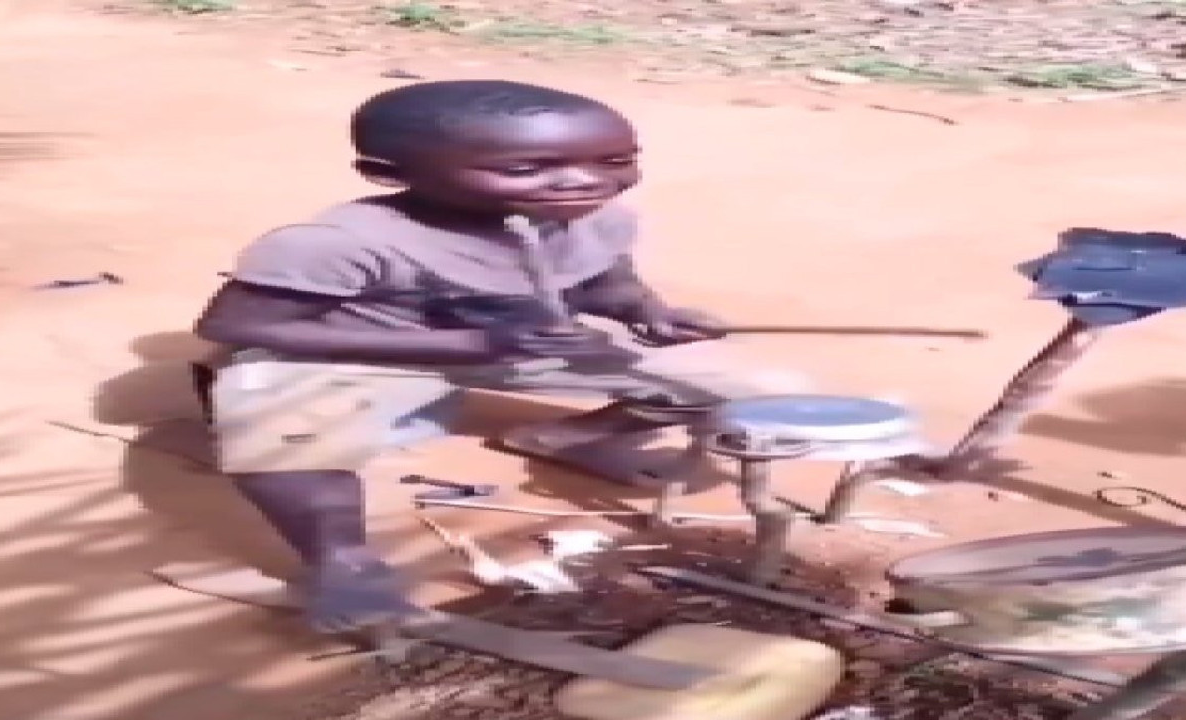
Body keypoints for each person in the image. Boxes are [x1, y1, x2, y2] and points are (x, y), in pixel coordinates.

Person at [194, 80, 808, 634]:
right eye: (526, 168)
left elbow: (603, 281)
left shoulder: (593, 218)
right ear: (386, 173)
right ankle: (341, 560)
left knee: (751, 387)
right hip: (361, 352)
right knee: (281, 433)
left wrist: (644, 311)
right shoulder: (336, 244)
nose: (584, 181)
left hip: (522, 344)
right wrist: (468, 345)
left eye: (615, 161)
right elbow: (236, 324)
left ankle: (566, 439)